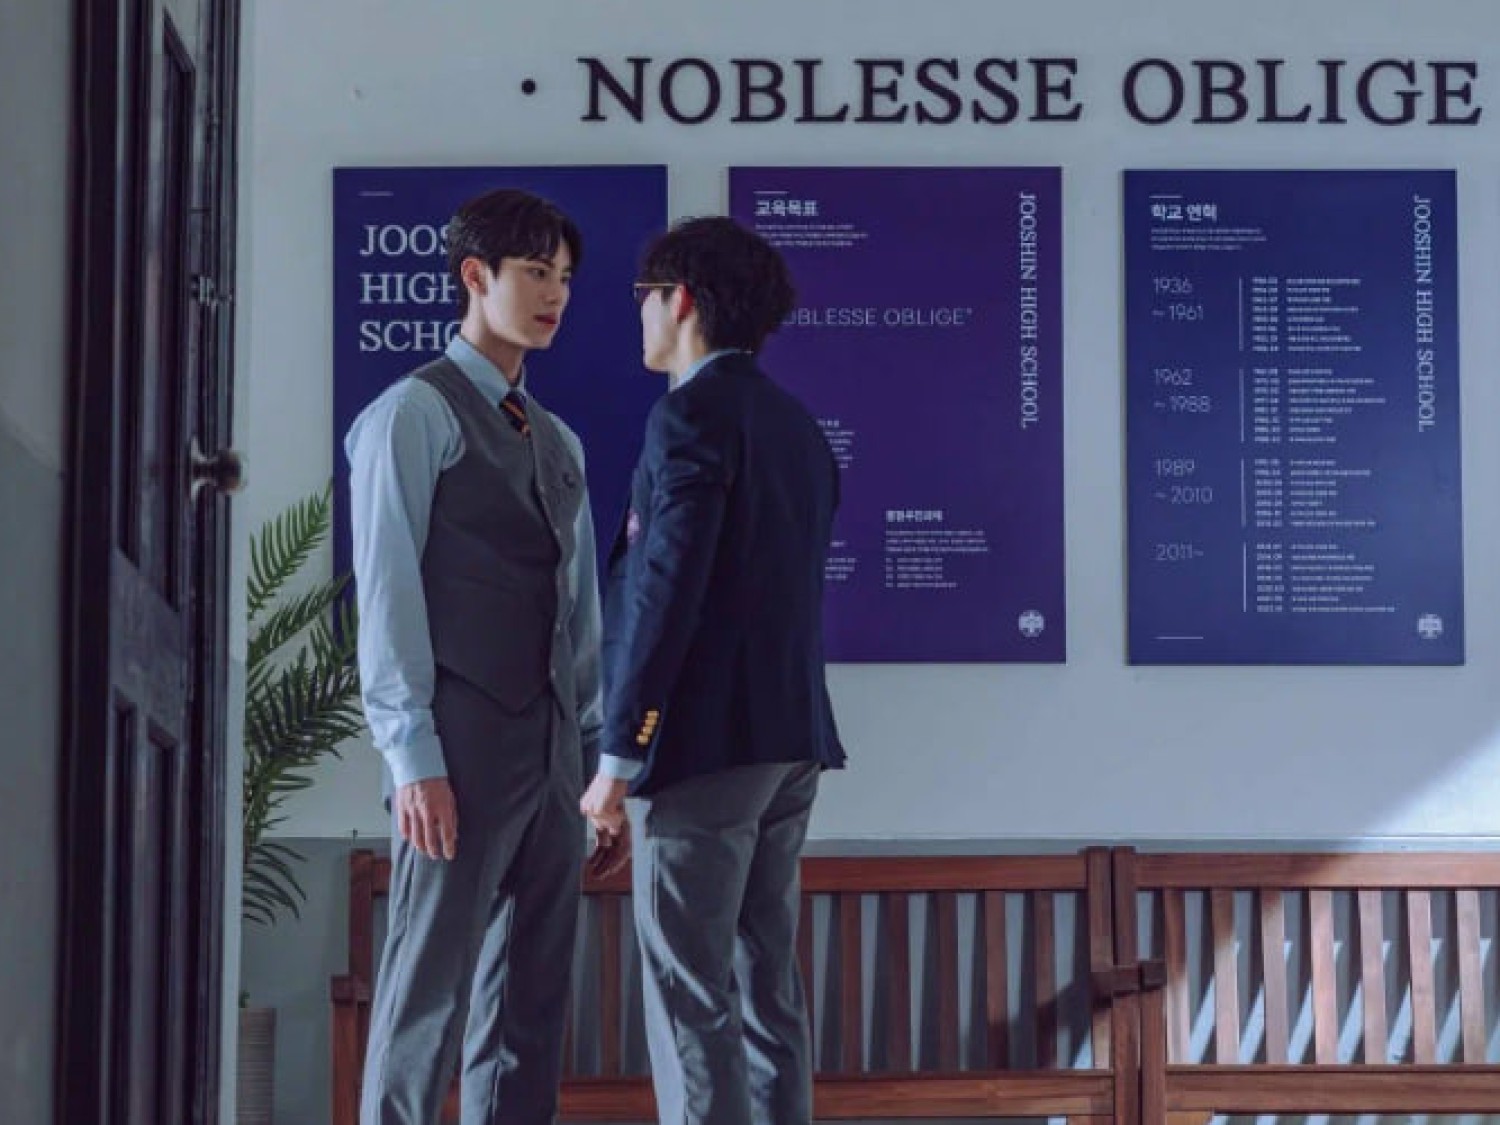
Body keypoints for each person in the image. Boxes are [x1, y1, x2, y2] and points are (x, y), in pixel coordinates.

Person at [346, 187, 620, 1125]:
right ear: (476, 275)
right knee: (427, 993)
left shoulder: (561, 441)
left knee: (530, 1010)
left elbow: (579, 617)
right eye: (536, 272)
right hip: (457, 743)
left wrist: (593, 764)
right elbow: (387, 594)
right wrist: (411, 758)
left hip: (554, 755)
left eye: (565, 277)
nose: (556, 295)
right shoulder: (411, 413)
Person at [580, 216, 847, 1125]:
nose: (640, 316)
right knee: (768, 988)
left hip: (703, 749)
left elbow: (668, 589)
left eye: (643, 297)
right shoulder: (799, 428)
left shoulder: (689, 415)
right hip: (790, 739)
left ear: (680, 299)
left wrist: (619, 757)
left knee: (690, 992)